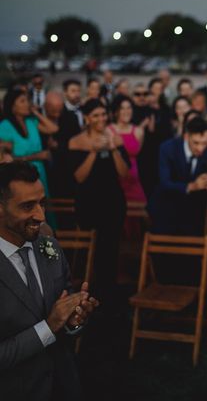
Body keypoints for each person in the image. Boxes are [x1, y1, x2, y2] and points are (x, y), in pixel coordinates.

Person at [0, 161, 99, 401]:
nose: (41, 216)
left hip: (64, 385)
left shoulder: (49, 247)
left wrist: (74, 320)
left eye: (42, 203)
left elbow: (64, 311)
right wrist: (49, 326)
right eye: (28, 206)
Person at [68, 99, 130, 304]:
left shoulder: (116, 139)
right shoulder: (76, 142)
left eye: (103, 114)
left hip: (113, 202)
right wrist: (94, 152)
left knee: (110, 248)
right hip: (89, 203)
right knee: (92, 249)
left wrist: (113, 149)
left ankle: (108, 295)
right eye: (96, 115)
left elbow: (124, 173)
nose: (101, 118)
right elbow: (78, 177)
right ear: (87, 118)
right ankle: (88, 292)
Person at [147, 116, 207, 236]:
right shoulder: (167, 148)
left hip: (194, 214)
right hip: (166, 210)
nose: (200, 148)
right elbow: (165, 183)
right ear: (186, 136)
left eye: (204, 143)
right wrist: (192, 186)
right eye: (196, 143)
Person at [0, 89, 59, 197]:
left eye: (27, 100)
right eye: (22, 101)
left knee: (42, 206)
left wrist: (36, 112)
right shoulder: (5, 126)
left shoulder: (31, 122)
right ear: (13, 107)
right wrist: (36, 156)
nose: (27, 104)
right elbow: (6, 159)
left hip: (39, 173)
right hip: (20, 176)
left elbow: (53, 129)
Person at [108, 96, 146, 203]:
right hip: (115, 181)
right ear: (116, 112)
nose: (126, 111)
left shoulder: (139, 131)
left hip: (134, 182)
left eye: (129, 108)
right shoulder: (108, 131)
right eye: (122, 108)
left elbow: (136, 155)